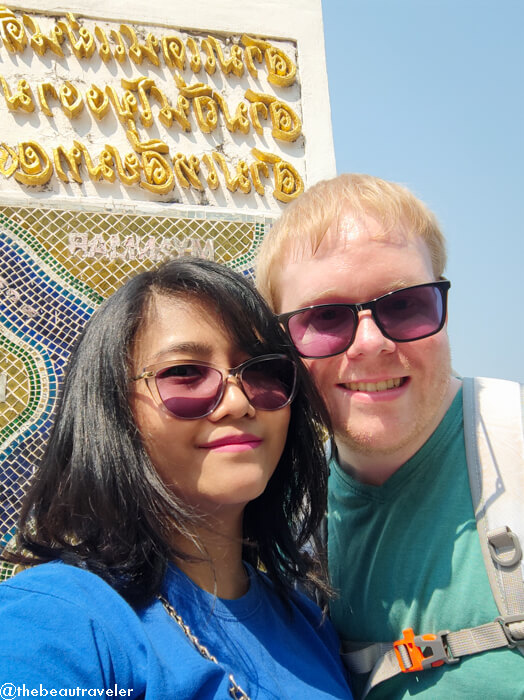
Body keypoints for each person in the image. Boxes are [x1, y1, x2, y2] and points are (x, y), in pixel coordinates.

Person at [0, 258, 353, 699]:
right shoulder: (57, 621)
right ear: (113, 410)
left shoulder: (307, 624)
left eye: (263, 372)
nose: (239, 403)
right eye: (185, 373)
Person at [255, 173, 524, 699]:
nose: (371, 344)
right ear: (284, 345)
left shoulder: (513, 441)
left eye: (404, 305)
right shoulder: (281, 516)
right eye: (326, 317)